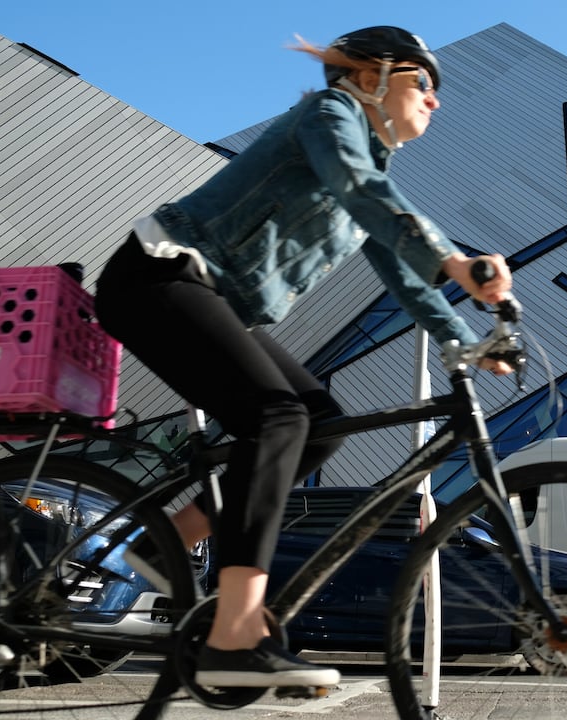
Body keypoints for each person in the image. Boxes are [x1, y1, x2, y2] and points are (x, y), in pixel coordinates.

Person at [94, 26, 513, 688]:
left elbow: (403, 276)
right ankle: (233, 639)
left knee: (318, 424)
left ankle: (170, 538)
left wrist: (464, 338)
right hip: (159, 274)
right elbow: (355, 187)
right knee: (279, 417)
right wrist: (455, 258)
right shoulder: (329, 117)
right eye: (423, 82)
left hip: (212, 297)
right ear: (372, 77)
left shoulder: (373, 166)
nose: (434, 101)